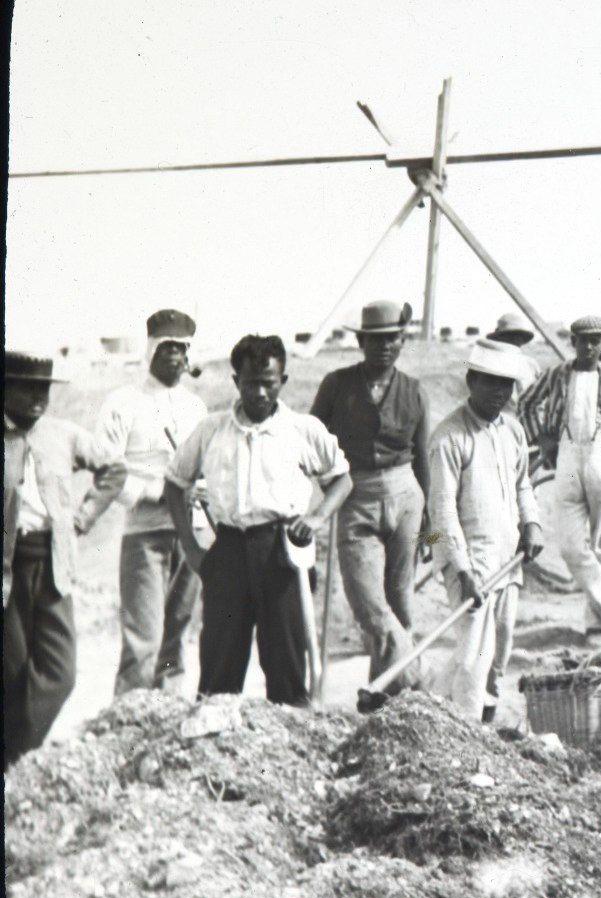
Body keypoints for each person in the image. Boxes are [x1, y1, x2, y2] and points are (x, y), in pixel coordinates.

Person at [166, 335, 351, 705]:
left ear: (282, 381)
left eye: (269, 383)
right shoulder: (211, 430)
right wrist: (190, 547)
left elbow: (342, 480)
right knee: (219, 666)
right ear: (237, 381)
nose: (261, 393)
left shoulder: (303, 429)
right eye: (252, 383)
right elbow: (175, 482)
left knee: (286, 666)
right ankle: (215, 746)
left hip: (282, 553)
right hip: (228, 549)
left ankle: (291, 750)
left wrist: (315, 518)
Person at [4, 352, 126, 767]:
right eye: (28, 387)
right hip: (7, 570)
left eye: (45, 389)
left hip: (53, 561)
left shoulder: (63, 434)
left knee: (60, 673)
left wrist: (81, 518)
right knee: (13, 674)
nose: (39, 398)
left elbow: (113, 468)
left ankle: (17, 756)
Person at [309, 301, 431, 693]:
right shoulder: (336, 385)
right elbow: (310, 443)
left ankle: (384, 697)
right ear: (360, 341)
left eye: (392, 339)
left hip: (407, 498)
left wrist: (431, 532)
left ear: (402, 341)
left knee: (401, 603)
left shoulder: (414, 390)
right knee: (371, 609)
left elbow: (424, 456)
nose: (384, 347)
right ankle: (417, 683)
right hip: (355, 497)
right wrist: (332, 491)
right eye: (375, 339)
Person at [424, 339, 546, 723]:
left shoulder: (511, 431)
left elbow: (523, 484)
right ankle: (465, 723)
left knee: (501, 643)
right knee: (476, 649)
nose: (499, 393)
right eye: (490, 382)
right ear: (471, 381)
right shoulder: (448, 437)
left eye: (506, 384)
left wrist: (532, 524)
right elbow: (441, 513)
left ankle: (474, 710)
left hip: (508, 558)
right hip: (470, 563)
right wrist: (462, 569)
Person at [91, 309, 209, 695]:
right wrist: (158, 490)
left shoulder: (196, 407)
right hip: (146, 532)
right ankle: (127, 721)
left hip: (190, 533)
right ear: (151, 350)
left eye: (182, 348)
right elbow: (108, 472)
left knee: (177, 632)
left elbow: (207, 465)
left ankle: (168, 718)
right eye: (166, 347)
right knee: (144, 636)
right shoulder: (122, 403)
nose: (174, 356)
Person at [517, 315, 601, 647]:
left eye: (595, 340)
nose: (588, 346)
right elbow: (526, 405)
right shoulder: (556, 375)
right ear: (573, 343)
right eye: (582, 340)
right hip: (568, 454)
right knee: (570, 546)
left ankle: (600, 625)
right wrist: (542, 438)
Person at [486, 311, 540, 394]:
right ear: (500, 339)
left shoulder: (531, 363)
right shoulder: (491, 363)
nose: (514, 340)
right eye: (508, 336)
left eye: (517, 336)